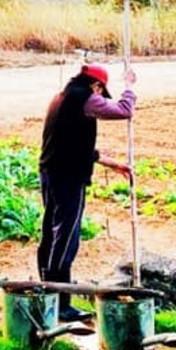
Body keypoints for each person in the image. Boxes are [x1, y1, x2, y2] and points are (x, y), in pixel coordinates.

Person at [37, 63, 136, 323]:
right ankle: (61, 303)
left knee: (51, 231)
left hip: (50, 172)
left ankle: (47, 293)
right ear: (96, 86)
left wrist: (112, 163)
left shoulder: (59, 99)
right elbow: (124, 111)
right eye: (101, 92)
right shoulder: (86, 98)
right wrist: (129, 88)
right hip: (68, 177)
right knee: (66, 237)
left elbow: (75, 145)